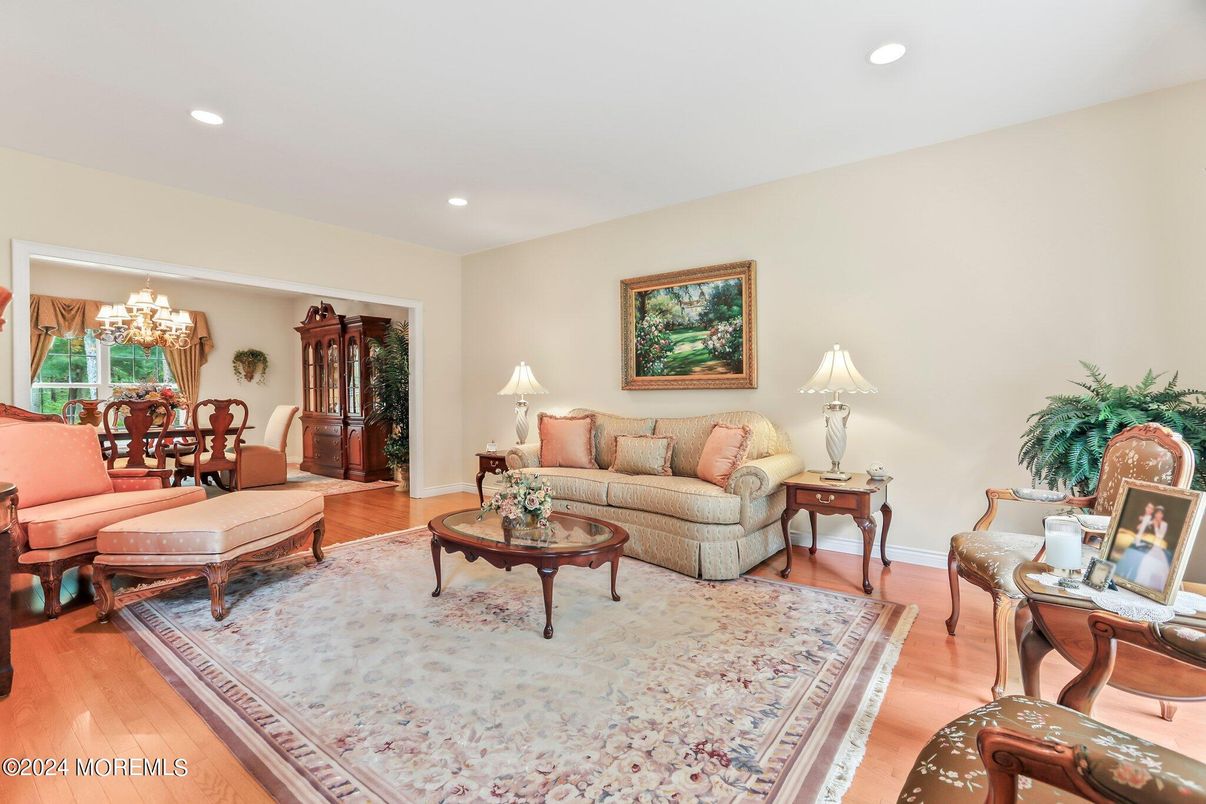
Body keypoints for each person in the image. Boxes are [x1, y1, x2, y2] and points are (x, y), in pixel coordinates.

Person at [1133, 507, 1172, 590]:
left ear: (1162, 515)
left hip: (1158, 547)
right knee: (1145, 562)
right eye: (1157, 513)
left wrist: (1155, 526)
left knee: (1156, 564)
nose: (1158, 515)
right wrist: (1145, 521)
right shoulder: (1153, 521)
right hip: (1150, 545)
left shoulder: (1164, 524)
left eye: (1160, 513)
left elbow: (1160, 536)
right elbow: (1140, 527)